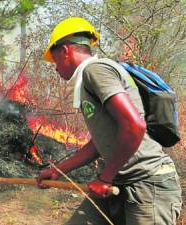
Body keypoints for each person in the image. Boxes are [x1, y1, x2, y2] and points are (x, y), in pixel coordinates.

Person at [36, 17, 182, 225]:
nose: (55, 67)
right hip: (117, 183)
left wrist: (105, 177)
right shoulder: (90, 77)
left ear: (65, 50)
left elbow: (134, 125)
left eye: (54, 59)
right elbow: (100, 142)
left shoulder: (95, 71)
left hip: (147, 185)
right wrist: (57, 171)